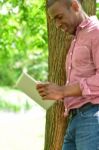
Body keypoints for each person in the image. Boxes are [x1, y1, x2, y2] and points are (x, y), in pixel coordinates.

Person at [36, 0, 99, 149]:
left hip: (92, 117)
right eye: (54, 20)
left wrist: (62, 91)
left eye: (59, 17)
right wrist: (53, 91)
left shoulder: (96, 32)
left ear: (75, 6)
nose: (57, 25)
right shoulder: (76, 40)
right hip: (74, 120)